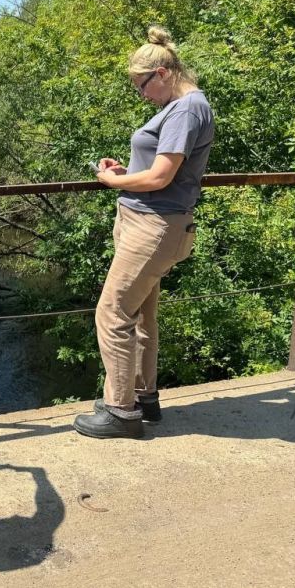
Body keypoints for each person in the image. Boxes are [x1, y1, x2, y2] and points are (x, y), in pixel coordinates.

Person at [73, 26, 215, 439]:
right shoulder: (182, 107)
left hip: (154, 227)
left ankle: (120, 412)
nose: (141, 94)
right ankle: (142, 399)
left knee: (113, 312)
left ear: (163, 73)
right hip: (152, 222)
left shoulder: (186, 110)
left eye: (142, 85)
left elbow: (160, 177)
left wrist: (113, 182)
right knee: (141, 315)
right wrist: (126, 170)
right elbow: (156, 169)